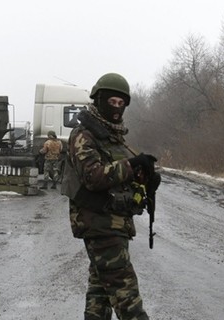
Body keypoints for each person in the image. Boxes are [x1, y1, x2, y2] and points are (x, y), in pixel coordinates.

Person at [62, 73, 160, 319]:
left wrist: (145, 176)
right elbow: (93, 177)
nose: (116, 108)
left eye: (121, 103)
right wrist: (131, 164)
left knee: (100, 295)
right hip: (99, 222)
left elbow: (119, 176)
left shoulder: (112, 136)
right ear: (98, 100)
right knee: (127, 297)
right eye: (111, 102)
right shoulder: (84, 135)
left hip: (114, 222)